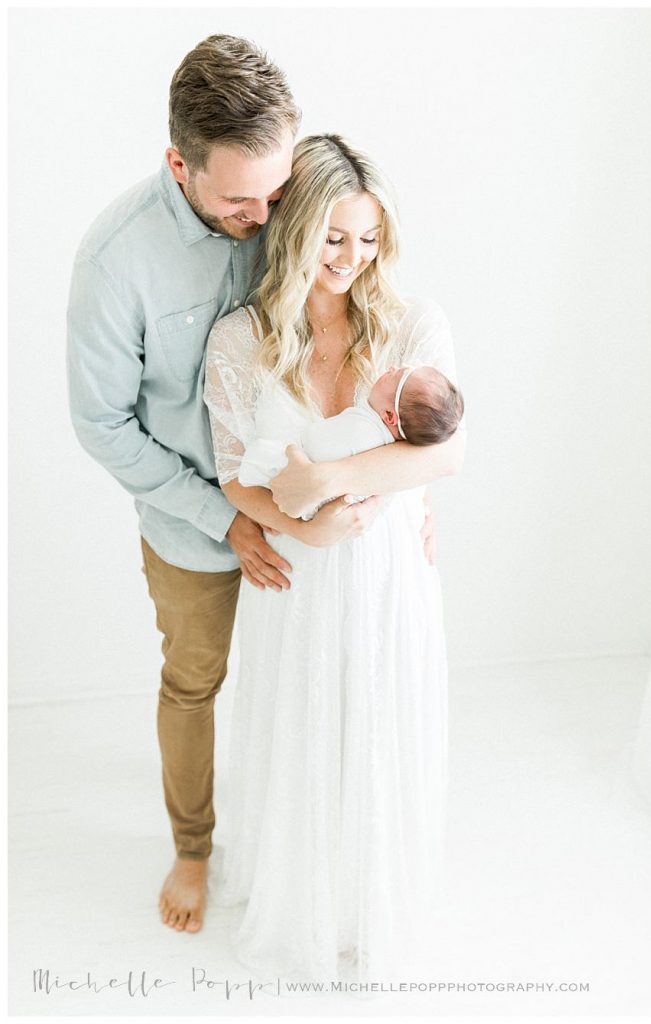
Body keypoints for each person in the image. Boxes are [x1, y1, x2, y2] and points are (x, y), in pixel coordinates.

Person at [66, 34, 324, 935]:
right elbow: (101, 423)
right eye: (238, 200)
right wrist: (222, 519)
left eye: (276, 192)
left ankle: (304, 835)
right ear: (179, 164)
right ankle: (192, 844)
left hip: (309, 502)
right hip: (192, 527)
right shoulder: (115, 262)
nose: (265, 217)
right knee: (196, 681)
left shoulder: (290, 192)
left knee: (307, 677)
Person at [203, 133, 465, 980]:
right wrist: (303, 522)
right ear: (294, 229)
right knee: (305, 725)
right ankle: (304, 897)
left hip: (387, 570)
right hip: (298, 572)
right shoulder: (240, 341)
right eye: (333, 236)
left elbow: (444, 453)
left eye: (369, 237)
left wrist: (333, 475)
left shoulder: (414, 324)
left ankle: (368, 897)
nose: (352, 257)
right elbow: (234, 472)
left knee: (378, 722)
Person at [238, 360, 465, 519]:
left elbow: (319, 446)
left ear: (389, 416)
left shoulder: (364, 432)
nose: (392, 367)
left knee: (260, 459)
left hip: (307, 475)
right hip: (320, 494)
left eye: (394, 376)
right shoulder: (383, 442)